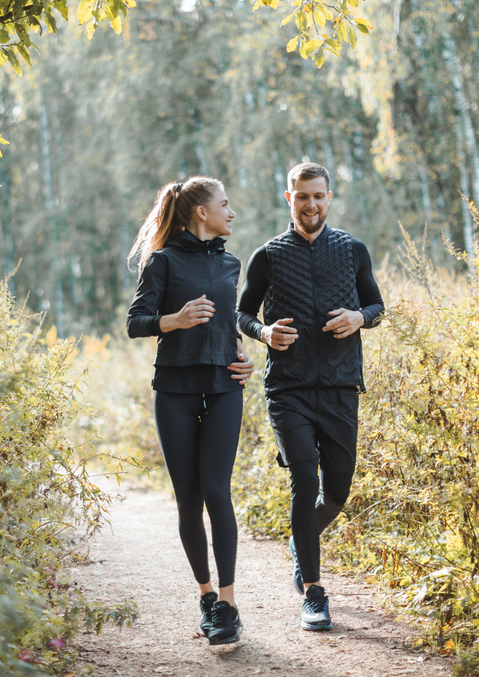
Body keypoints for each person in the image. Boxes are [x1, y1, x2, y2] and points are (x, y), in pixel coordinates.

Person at [236, 162, 384, 631]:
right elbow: (242, 314)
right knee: (304, 479)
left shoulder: (352, 249)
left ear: (329, 196)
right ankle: (315, 594)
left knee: (336, 491)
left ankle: (303, 544)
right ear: (289, 198)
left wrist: (360, 318)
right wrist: (263, 332)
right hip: (289, 388)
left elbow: (376, 305)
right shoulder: (269, 255)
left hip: (341, 385)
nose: (311, 204)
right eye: (302, 196)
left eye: (318, 195)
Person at [126, 176, 254, 645]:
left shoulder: (231, 263)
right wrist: (174, 320)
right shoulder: (161, 262)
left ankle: (228, 604)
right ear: (202, 212)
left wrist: (243, 356)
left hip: (224, 386)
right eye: (225, 204)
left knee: (217, 491)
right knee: (189, 499)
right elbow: (135, 322)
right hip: (176, 388)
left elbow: (228, 325)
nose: (231, 212)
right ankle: (205, 594)